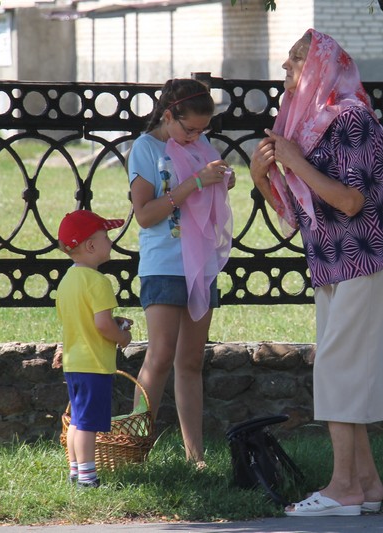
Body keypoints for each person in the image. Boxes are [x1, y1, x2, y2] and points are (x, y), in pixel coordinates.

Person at [249, 29, 383, 517]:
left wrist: (293, 158)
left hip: (362, 258)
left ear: (322, 66)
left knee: (337, 371)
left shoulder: (353, 118)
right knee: (347, 374)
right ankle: (367, 485)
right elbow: (299, 211)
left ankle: (343, 490)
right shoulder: (311, 122)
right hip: (332, 262)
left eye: (296, 59)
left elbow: (350, 200)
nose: (286, 68)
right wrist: (261, 177)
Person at [127, 78, 235, 468]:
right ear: (168, 115)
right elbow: (144, 215)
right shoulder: (145, 149)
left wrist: (222, 182)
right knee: (159, 357)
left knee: (190, 363)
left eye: (202, 131)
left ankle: (196, 458)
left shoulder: (199, 146)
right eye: (189, 128)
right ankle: (133, 452)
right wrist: (194, 183)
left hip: (199, 266)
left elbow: (205, 195)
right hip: (164, 266)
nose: (195, 137)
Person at [55, 209, 133, 488]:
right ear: (90, 245)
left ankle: (75, 471)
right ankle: (88, 478)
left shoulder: (67, 281)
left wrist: (114, 323)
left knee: (77, 420)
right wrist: (122, 337)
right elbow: (102, 325)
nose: (110, 241)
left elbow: (78, 319)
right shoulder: (99, 282)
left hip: (74, 362)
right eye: (106, 236)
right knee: (88, 423)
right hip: (94, 363)